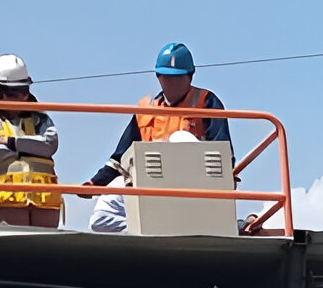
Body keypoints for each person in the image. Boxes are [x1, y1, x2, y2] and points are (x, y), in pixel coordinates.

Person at [82, 42, 233, 191]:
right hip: (153, 185)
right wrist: (96, 182)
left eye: (178, 77)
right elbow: (121, 156)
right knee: (113, 197)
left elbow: (223, 152)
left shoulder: (206, 102)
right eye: (167, 77)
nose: (172, 83)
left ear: (189, 77)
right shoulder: (146, 111)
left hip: (195, 183)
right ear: (158, 77)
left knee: (181, 138)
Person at [0, 54, 62, 228]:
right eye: (13, 93)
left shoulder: (40, 118)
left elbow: (50, 145)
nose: (21, 98)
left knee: (46, 253)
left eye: (24, 91)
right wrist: (31, 146)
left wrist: (10, 143)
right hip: (8, 200)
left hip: (44, 200)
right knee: (14, 252)